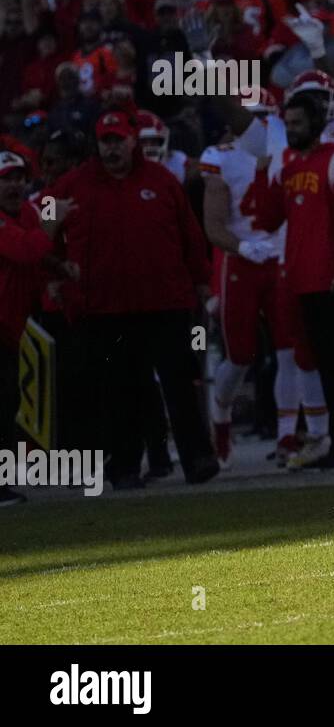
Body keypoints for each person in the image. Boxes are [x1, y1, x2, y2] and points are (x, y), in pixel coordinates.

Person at [50, 111, 219, 488]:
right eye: (105, 141)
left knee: (180, 382)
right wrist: (55, 272)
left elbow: (190, 235)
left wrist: (203, 280)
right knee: (119, 389)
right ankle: (125, 466)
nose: (111, 148)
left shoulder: (163, 182)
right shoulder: (70, 186)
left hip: (165, 303)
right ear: (97, 144)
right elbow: (41, 224)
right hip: (105, 308)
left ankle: (198, 458)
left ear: (133, 142)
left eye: (118, 140)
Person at [199, 89, 326, 469]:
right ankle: (220, 421)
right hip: (242, 261)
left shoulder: (290, 153)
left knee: (289, 350)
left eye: (269, 116)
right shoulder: (220, 158)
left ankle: (287, 435)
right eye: (256, 117)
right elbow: (214, 224)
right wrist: (242, 247)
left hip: (282, 258)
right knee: (239, 356)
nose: (264, 125)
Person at [250, 92, 334, 468]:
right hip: (306, 285)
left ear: (317, 123)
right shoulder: (288, 168)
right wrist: (261, 170)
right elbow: (268, 219)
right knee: (329, 369)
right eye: (288, 124)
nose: (291, 130)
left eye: (298, 124)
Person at [0, 152, 69, 507]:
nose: (13, 185)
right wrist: (51, 224)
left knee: (8, 402)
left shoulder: (26, 214)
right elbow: (26, 250)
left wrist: (60, 270)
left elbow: (37, 259)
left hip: (9, 330)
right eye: (5, 178)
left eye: (18, 178)